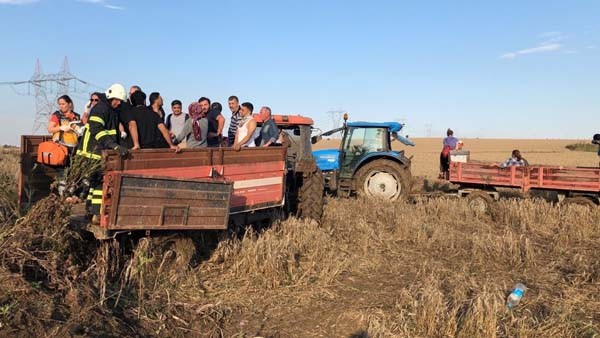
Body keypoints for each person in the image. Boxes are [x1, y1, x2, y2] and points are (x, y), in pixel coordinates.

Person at [76, 83, 129, 221]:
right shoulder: (101, 109)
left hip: (99, 150)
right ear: (111, 97)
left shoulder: (110, 110)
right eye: (117, 100)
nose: (119, 103)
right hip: (93, 151)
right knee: (100, 181)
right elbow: (96, 129)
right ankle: (97, 214)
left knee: (94, 182)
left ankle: (90, 210)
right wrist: (113, 145)